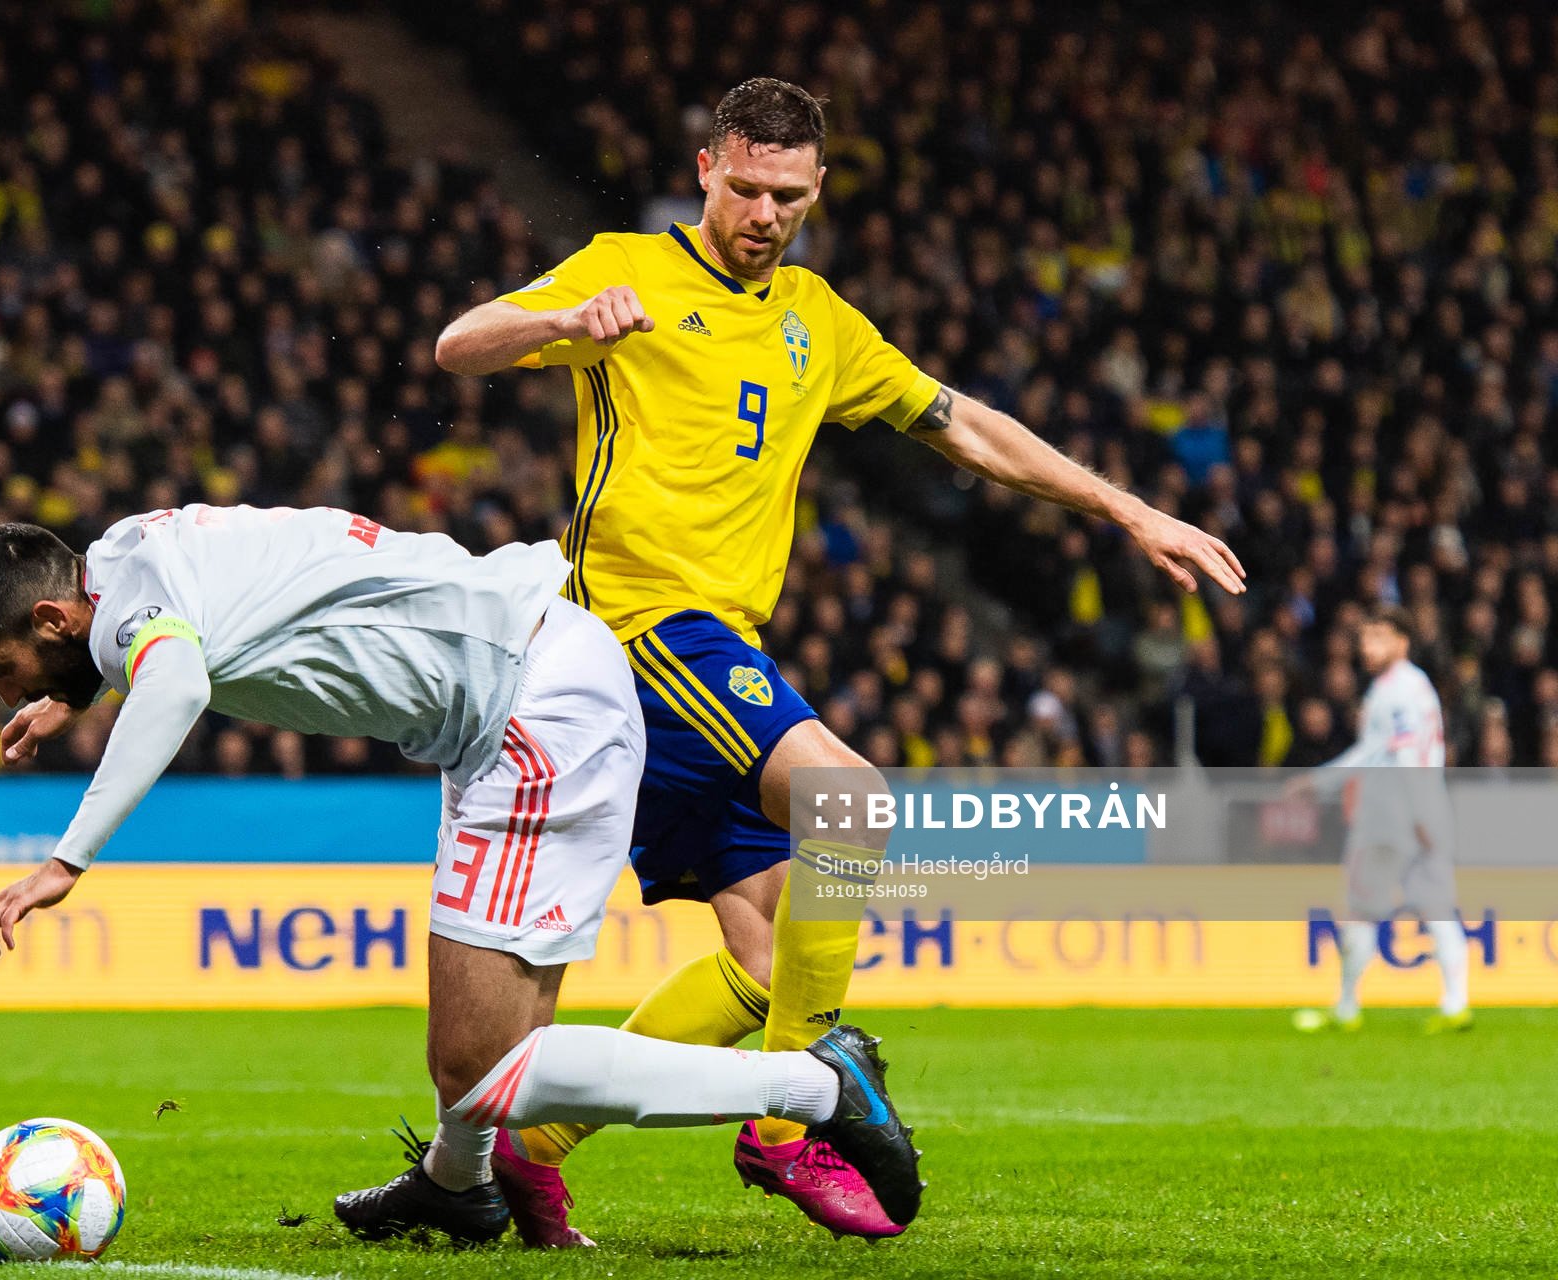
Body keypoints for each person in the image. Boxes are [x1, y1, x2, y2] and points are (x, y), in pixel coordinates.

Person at [436, 76, 1247, 1242]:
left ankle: (537, 1142)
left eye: (792, 197)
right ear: (710, 166)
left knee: (771, 961)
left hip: (718, 651)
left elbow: (963, 423)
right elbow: (459, 344)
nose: (766, 215)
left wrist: (1129, 512)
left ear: (818, 190)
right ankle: (782, 1130)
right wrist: (565, 323)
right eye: (750, 187)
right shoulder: (632, 268)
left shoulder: (820, 318)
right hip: (634, 630)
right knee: (851, 805)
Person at [0, 505, 923, 1244]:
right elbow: (154, 633)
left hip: (529, 709)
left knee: (483, 1071)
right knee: (481, 1042)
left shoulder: (121, 623)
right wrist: (79, 689)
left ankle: (814, 1084)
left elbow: (178, 676)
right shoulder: (119, 554)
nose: (5, 691)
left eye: (0, 666)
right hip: (518, 684)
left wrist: (65, 859)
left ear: (57, 617)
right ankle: (460, 1185)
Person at [1290, 606, 1468, 1035]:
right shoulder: (1414, 686)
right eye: (1364, 638)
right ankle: (1456, 1004)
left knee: (1361, 911)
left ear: (1402, 642)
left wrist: (1319, 782)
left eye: (1379, 638)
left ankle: (1347, 1008)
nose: (1367, 647)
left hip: (1392, 816)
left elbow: (1397, 755)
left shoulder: (1395, 692)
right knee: (1437, 905)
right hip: (1423, 807)